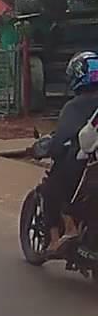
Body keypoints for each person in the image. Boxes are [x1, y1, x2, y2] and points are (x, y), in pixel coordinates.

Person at [44, 51, 98, 253]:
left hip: (83, 171)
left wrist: (54, 149)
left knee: (51, 184)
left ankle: (64, 232)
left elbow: (60, 142)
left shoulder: (74, 107)